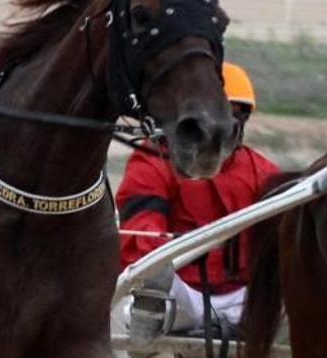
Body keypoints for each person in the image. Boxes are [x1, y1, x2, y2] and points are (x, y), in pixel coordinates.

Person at [117, 61, 280, 342]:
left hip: (245, 300)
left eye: (234, 115)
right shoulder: (154, 159)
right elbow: (141, 230)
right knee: (152, 274)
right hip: (180, 296)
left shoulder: (262, 171)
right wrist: (167, 254)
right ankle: (154, 325)